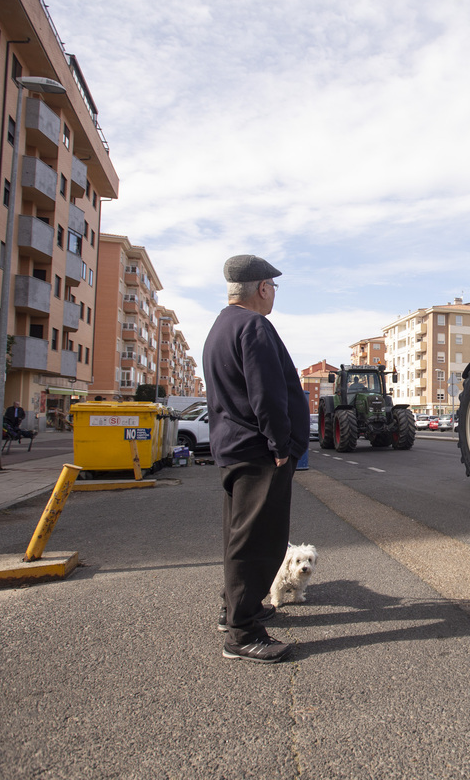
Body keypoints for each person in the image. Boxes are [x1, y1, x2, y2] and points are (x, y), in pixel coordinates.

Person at [202, 254, 309, 664]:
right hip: (260, 452)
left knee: (238, 536)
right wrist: (280, 445)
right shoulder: (254, 326)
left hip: (235, 448)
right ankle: (242, 634)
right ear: (263, 288)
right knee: (259, 540)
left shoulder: (220, 326)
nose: (274, 295)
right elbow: (266, 393)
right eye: (274, 288)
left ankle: (233, 611)